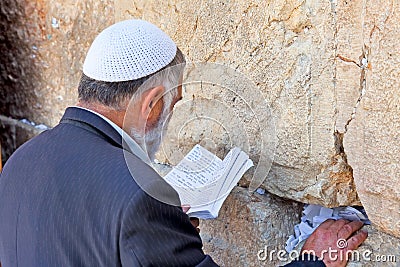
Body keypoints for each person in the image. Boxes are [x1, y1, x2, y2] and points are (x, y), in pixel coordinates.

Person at [0, 19, 367, 267]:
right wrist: (312, 259)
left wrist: (166, 232)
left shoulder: (19, 162)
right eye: (173, 105)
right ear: (152, 102)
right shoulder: (139, 196)